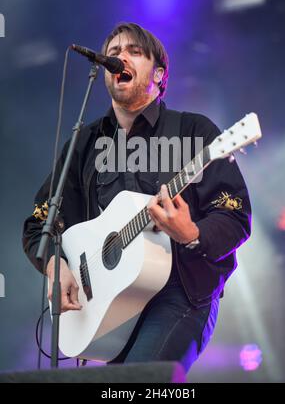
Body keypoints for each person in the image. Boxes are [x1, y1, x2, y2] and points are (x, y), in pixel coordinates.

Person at [23, 22, 251, 373]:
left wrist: (191, 234)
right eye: (113, 54)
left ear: (159, 74)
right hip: (108, 302)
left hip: (180, 294)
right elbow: (40, 222)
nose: (119, 58)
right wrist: (57, 265)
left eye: (134, 52)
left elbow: (235, 215)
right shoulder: (84, 144)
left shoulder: (194, 131)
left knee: (139, 381)